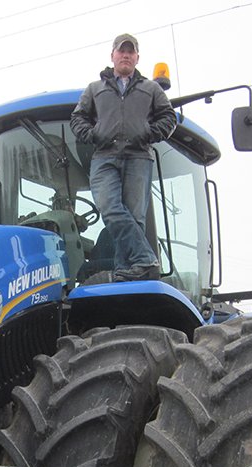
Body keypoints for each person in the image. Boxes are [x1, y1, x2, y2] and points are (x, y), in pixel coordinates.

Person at [70, 33, 177, 281]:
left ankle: (125, 273)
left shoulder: (150, 89)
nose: (126, 55)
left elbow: (168, 117)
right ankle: (146, 259)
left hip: (139, 155)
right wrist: (94, 134)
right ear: (113, 56)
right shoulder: (94, 90)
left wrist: (147, 133)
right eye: (121, 51)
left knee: (135, 217)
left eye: (131, 52)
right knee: (109, 208)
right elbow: (78, 118)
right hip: (104, 155)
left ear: (137, 58)